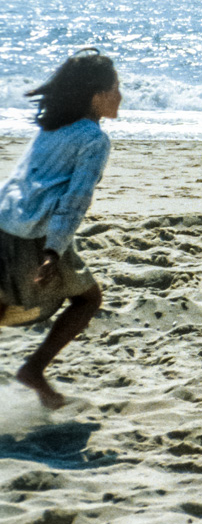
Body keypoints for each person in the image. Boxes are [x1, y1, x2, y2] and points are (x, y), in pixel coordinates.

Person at [0, 50, 120, 408]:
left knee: (4, 309)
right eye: (116, 88)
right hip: (34, 235)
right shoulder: (94, 139)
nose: (120, 96)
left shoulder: (52, 126)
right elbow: (75, 199)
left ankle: (33, 373)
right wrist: (53, 250)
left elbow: (22, 178)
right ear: (96, 94)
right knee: (88, 299)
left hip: (5, 220)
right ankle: (34, 370)